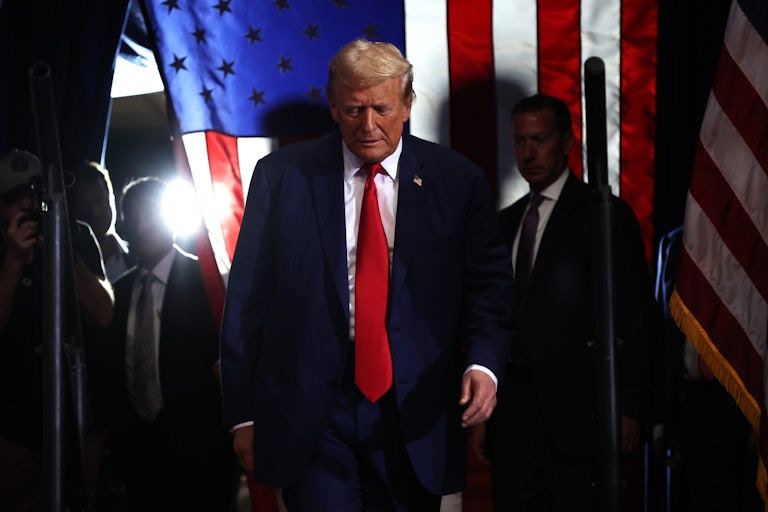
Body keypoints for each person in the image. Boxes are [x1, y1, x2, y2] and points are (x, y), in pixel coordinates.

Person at [220, 39, 514, 511]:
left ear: (408, 105)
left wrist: (483, 365)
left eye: (381, 108)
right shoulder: (282, 177)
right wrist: (242, 416)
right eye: (355, 109)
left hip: (414, 408)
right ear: (333, 107)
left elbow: (489, 290)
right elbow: (247, 302)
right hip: (310, 413)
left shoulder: (457, 181)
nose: (369, 125)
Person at [478, 94, 656, 511]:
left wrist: (630, 407)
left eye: (539, 139)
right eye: (520, 140)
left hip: (580, 418)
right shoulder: (505, 222)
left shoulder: (604, 214)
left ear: (567, 141)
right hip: (512, 420)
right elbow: (493, 317)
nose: (528, 152)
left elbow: (635, 317)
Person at [104, 177, 234, 511]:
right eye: (131, 215)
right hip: (141, 452)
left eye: (148, 213)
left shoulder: (206, 283)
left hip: (201, 452)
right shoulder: (120, 290)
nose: (140, 224)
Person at [0, 148, 114, 511]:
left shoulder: (73, 233)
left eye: (30, 197)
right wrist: (15, 259)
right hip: (11, 429)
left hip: (75, 421)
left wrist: (61, 249)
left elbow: (103, 310)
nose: (24, 208)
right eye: (12, 200)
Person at [68, 160, 134, 282]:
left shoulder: (137, 257)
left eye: (99, 201)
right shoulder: (71, 268)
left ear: (111, 197)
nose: (94, 212)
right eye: (84, 206)